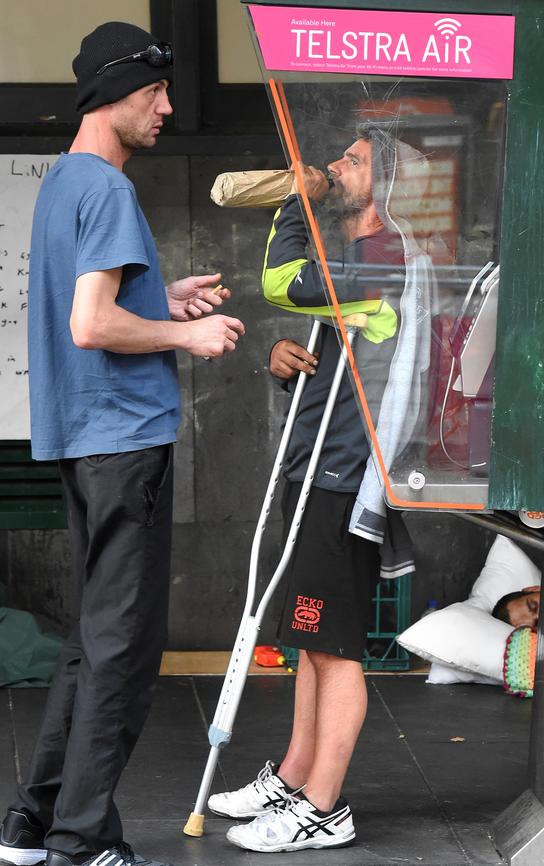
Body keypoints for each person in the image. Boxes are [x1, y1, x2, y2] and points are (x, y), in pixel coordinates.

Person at [0, 21, 244, 866]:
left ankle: (34, 824)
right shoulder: (105, 188)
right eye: (154, 94)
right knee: (125, 651)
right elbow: (92, 322)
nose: (168, 108)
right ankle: (82, 838)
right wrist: (188, 340)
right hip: (122, 442)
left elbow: (99, 306)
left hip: (82, 440)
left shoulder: (65, 182)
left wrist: (163, 298)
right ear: (112, 94)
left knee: (90, 640)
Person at [208, 126, 433, 854]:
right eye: (338, 157)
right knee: (311, 636)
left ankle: (324, 807)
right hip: (313, 465)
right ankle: (296, 776)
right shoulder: (354, 257)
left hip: (343, 476)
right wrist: (283, 358)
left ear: (388, 185)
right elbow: (325, 330)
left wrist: (294, 203)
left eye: (353, 161)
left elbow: (284, 282)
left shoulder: (383, 253)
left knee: (335, 646)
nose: (335, 167)